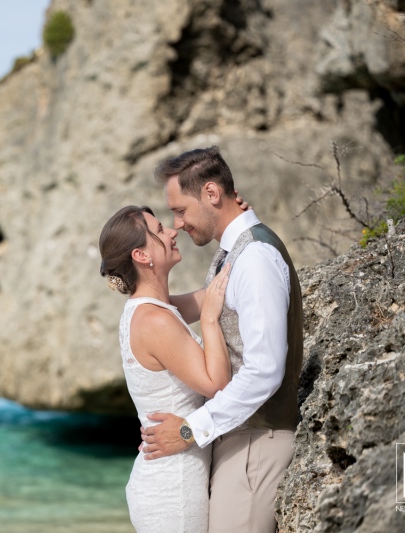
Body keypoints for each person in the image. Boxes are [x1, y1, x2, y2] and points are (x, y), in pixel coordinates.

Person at [141, 146, 303, 533]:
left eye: (180, 210)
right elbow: (196, 303)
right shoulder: (235, 250)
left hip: (258, 441)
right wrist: (137, 299)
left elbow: (265, 371)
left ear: (212, 194)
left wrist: (188, 430)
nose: (177, 224)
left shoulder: (256, 259)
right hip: (240, 437)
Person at [98, 205, 233, 533]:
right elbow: (216, 384)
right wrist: (211, 321)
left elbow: (209, 296)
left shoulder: (153, 310)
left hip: (166, 478)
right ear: (142, 255)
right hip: (173, 490)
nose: (172, 232)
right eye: (159, 230)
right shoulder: (155, 321)